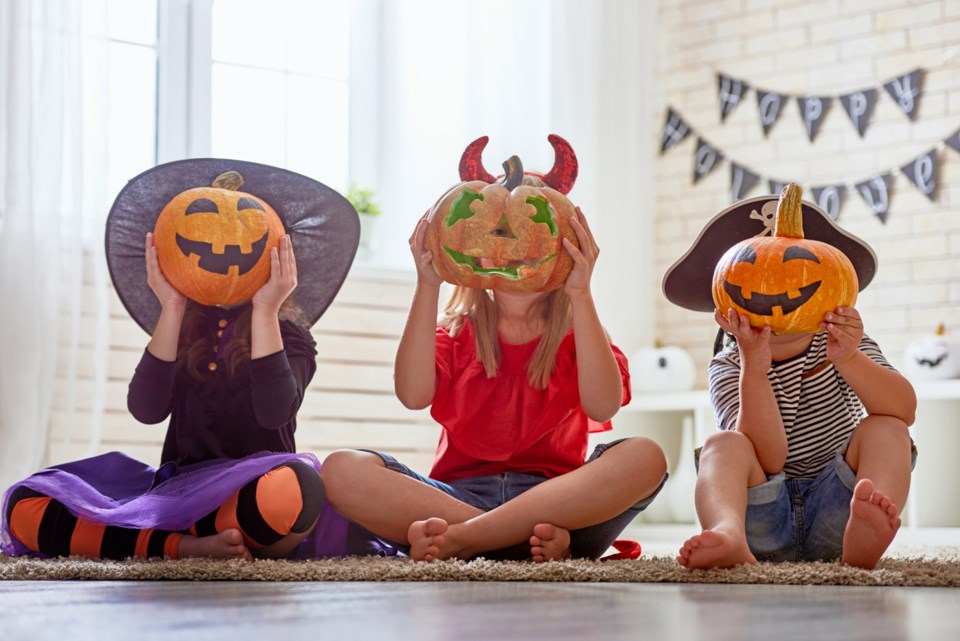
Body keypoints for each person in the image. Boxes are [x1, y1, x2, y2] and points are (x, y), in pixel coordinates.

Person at [1, 159, 389, 562]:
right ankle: (184, 545)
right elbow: (146, 410)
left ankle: (163, 540)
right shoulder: (184, 330)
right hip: (176, 493)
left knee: (298, 487)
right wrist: (170, 305)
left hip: (252, 490)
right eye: (206, 223)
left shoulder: (289, 333)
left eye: (243, 226)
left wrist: (266, 309)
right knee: (27, 504)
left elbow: (276, 412)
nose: (223, 240)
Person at [321, 199, 668, 562]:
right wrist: (427, 283)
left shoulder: (579, 334)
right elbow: (412, 394)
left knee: (645, 455)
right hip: (465, 502)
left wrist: (580, 294)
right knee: (343, 469)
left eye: (536, 235)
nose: (513, 249)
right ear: (475, 247)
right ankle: (513, 543)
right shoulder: (454, 334)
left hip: (559, 505)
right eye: (499, 233)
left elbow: (603, 405)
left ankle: (469, 539)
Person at [662, 189, 916, 570]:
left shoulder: (846, 342)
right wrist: (755, 368)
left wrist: (849, 358)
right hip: (762, 516)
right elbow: (768, 457)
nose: (770, 283)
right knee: (723, 444)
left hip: (839, 508)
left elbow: (904, 410)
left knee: (888, 429)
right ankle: (727, 533)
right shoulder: (729, 365)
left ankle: (865, 537)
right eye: (752, 268)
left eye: (791, 269)